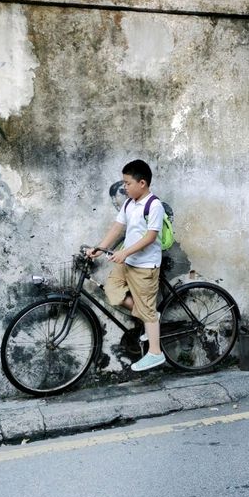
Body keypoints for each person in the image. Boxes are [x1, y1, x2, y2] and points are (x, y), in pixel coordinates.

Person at [87, 159, 165, 373]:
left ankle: (155, 353)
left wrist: (125, 252)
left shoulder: (153, 205)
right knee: (113, 293)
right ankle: (150, 317)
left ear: (142, 183)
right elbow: (117, 228)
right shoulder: (129, 203)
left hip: (145, 266)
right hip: (127, 262)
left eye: (128, 183)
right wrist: (100, 248)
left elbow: (150, 237)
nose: (124, 187)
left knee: (147, 311)